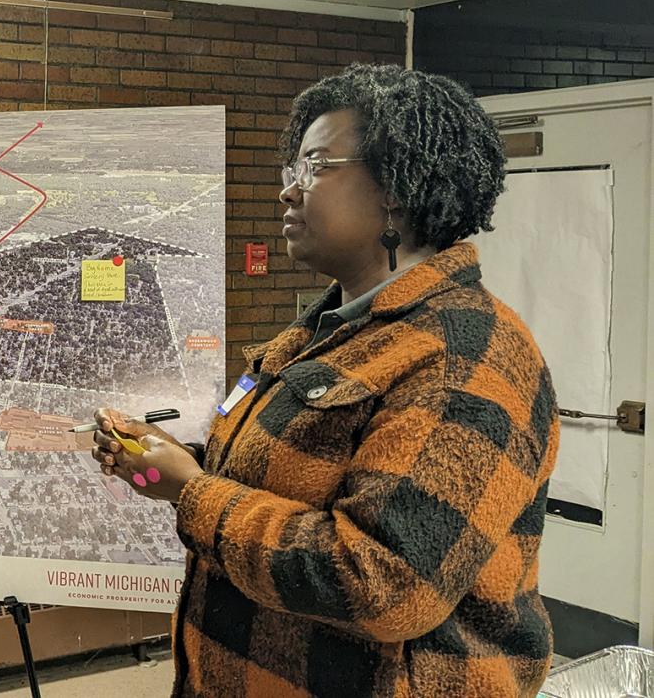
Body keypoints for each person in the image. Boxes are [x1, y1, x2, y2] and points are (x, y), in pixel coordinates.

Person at [93, 64, 558, 697]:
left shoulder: (466, 359)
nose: (288, 191)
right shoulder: (330, 328)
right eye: (293, 169)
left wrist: (192, 492)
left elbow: (384, 583)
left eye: (316, 167)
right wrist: (171, 462)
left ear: (396, 187)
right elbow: (299, 481)